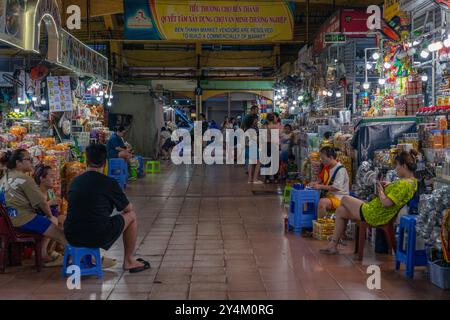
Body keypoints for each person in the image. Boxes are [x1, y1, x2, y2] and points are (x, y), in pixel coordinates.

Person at [64, 144, 150, 273]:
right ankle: (129, 261)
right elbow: (128, 208)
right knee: (131, 215)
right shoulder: (109, 183)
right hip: (97, 235)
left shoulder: (75, 181)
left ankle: (82, 257)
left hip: (71, 235)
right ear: (105, 163)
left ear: (87, 161)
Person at [320, 150, 419, 255]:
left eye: (397, 165)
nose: (396, 169)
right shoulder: (412, 183)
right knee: (340, 211)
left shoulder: (403, 185)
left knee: (345, 199)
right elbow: (397, 192)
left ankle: (340, 238)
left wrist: (380, 190)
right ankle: (333, 245)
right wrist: (390, 184)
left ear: (403, 166)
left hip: (375, 214)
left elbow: (386, 203)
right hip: (378, 211)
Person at [0, 150, 67, 265]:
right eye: (28, 159)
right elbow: (42, 203)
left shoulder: (3, 179)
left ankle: (46, 254)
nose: (32, 162)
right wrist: (50, 217)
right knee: (60, 234)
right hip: (24, 220)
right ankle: (79, 259)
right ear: (18, 162)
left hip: (8, 222)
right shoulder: (25, 179)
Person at [309, 147, 350, 219]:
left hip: (340, 198)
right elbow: (321, 179)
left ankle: (323, 225)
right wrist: (314, 183)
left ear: (331, 157)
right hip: (330, 196)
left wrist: (320, 186)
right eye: (321, 158)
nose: (321, 161)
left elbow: (336, 187)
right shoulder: (327, 167)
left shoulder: (341, 170)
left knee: (322, 203)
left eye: (323, 158)